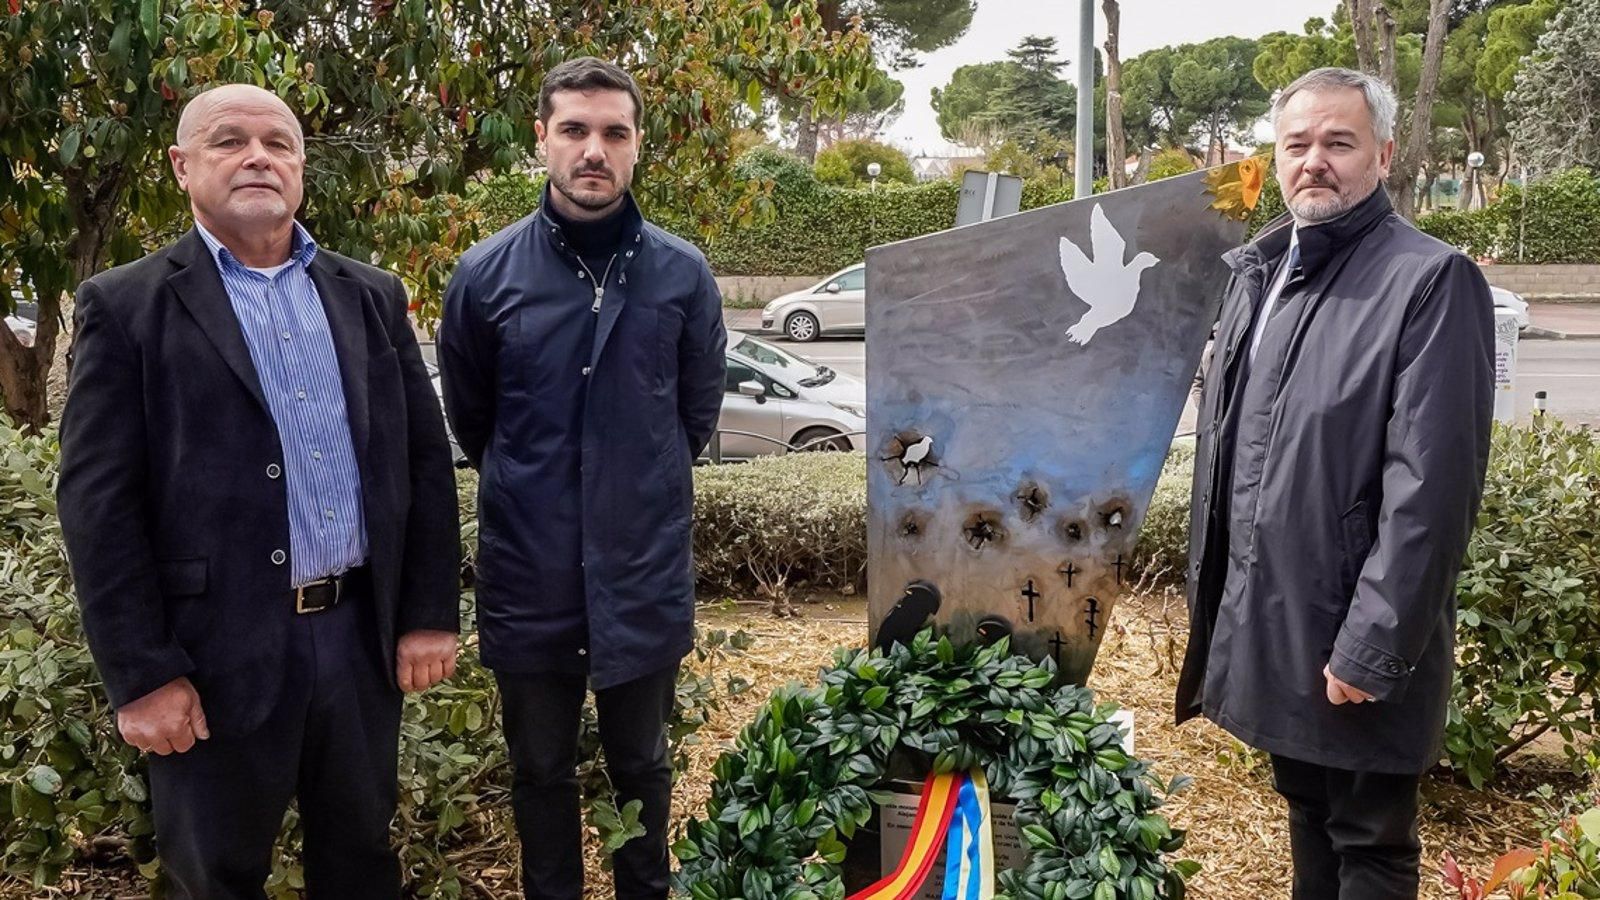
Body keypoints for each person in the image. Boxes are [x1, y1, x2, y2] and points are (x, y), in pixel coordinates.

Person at [56, 84, 461, 900]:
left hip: (357, 643)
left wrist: (426, 614)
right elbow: (99, 503)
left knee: (361, 864)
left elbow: (421, 463)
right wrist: (141, 675)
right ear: (181, 165)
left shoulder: (370, 296)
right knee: (214, 876)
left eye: (278, 143)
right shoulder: (127, 306)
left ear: (301, 166)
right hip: (213, 657)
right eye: (229, 141)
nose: (257, 158)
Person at [1175, 67, 1495, 900]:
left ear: (1383, 155)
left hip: (1352, 639)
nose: (1315, 160)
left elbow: (1433, 489)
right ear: (1276, 160)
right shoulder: (1265, 270)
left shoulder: (1429, 280)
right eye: (1298, 144)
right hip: (1278, 625)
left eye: (1339, 142)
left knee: (1370, 844)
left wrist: (1374, 644)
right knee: (1309, 816)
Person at [438, 57, 726, 900]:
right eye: (574, 130)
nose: (593, 150)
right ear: (542, 141)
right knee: (541, 773)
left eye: (613, 132)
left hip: (642, 575)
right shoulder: (484, 278)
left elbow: (693, 420)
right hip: (530, 577)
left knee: (644, 763)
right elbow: (475, 423)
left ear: (638, 147)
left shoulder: (683, 274)